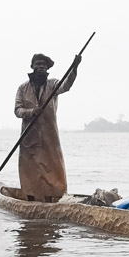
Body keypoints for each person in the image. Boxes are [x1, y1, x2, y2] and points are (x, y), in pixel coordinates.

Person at [13, 52, 81, 201]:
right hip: (29, 137)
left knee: (52, 169)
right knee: (29, 169)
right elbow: (17, 110)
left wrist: (74, 67)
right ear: (32, 66)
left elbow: (66, 85)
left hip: (49, 136)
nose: (41, 67)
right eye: (38, 64)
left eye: (44, 65)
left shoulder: (52, 84)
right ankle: (30, 201)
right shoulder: (22, 88)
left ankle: (52, 201)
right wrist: (31, 112)